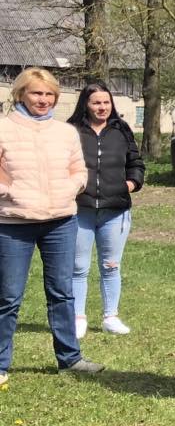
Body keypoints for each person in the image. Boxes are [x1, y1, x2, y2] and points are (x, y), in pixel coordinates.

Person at [0, 67, 104, 387]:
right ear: (21, 94)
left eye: (48, 94)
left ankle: (70, 358)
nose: (43, 100)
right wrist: (10, 192)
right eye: (36, 93)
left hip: (60, 221)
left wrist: (70, 189)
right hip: (13, 222)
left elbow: (78, 171)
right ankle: (1, 364)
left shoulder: (66, 132)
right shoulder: (3, 128)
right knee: (8, 296)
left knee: (62, 292)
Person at [68, 82, 145, 338]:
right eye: (96, 103)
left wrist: (131, 184)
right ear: (85, 105)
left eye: (106, 102)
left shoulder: (121, 130)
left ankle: (110, 316)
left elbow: (136, 163)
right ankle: (78, 317)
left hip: (115, 210)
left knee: (111, 265)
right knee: (78, 267)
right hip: (81, 209)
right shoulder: (72, 130)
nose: (102, 107)